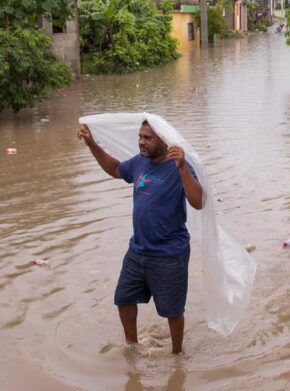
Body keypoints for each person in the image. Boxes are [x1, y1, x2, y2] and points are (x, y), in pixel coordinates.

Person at [77, 120, 203, 354]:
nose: (141, 142)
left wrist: (183, 167)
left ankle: (177, 355)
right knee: (123, 298)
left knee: (172, 311)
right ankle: (131, 347)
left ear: (163, 141)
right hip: (138, 250)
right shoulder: (140, 162)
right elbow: (115, 169)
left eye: (148, 138)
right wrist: (92, 144)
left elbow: (198, 202)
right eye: (140, 137)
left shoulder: (178, 167)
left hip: (169, 254)